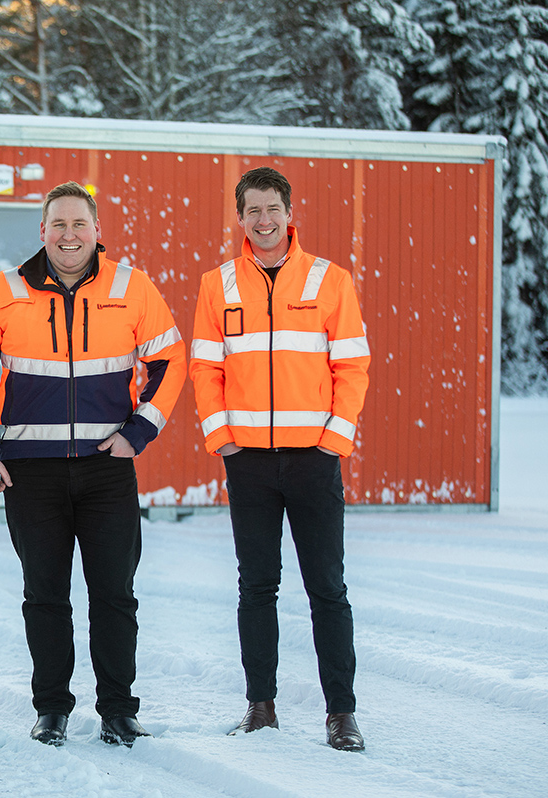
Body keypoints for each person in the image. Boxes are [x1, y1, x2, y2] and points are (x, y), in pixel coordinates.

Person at [0, 181, 186, 747]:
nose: (69, 235)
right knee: (45, 595)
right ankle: (52, 708)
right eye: (58, 224)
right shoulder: (3, 292)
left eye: (79, 224)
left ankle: (117, 710)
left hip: (107, 468)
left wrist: (141, 431)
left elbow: (171, 360)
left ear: (97, 231)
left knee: (114, 594)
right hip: (30, 471)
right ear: (42, 231)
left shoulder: (132, 288)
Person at [189, 166, 370, 751]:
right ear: (239, 218)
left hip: (314, 461)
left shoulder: (329, 280)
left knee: (328, 589)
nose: (263, 221)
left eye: (273, 209)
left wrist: (334, 441)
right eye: (252, 211)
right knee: (256, 587)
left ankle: (341, 714)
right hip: (250, 465)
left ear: (291, 214)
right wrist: (224, 440)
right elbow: (205, 369)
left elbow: (352, 367)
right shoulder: (218, 284)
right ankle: (260, 707)